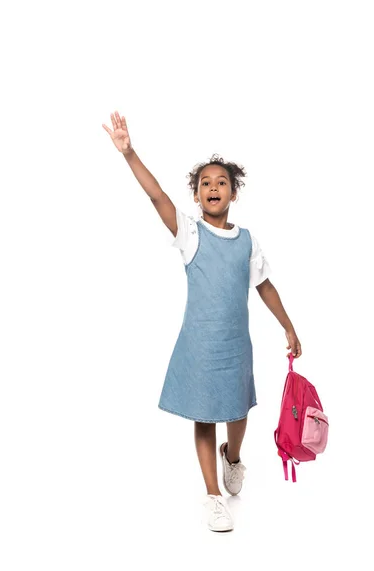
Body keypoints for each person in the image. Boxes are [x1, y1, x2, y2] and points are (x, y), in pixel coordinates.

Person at [102, 110, 302, 533]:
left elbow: (264, 286)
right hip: (200, 347)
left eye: (221, 182)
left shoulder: (247, 240)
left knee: (239, 409)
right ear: (196, 196)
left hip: (235, 348)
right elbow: (157, 196)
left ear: (233, 193)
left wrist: (288, 325)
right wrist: (129, 153)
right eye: (205, 183)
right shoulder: (190, 234)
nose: (213, 187)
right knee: (204, 416)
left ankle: (233, 457)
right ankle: (213, 495)